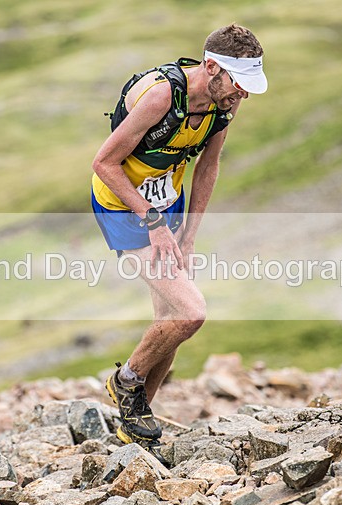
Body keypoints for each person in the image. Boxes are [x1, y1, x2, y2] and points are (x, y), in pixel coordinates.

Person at [90, 24, 267, 448]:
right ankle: (126, 380)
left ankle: (133, 431)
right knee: (190, 313)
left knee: (168, 321)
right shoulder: (161, 97)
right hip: (122, 205)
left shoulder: (224, 104)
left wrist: (188, 235)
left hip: (167, 204)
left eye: (247, 87)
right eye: (237, 84)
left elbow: (209, 166)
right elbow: (104, 164)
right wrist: (152, 223)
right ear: (211, 67)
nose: (241, 94)